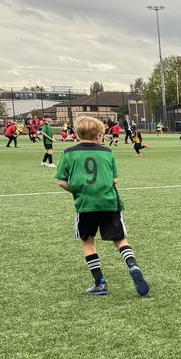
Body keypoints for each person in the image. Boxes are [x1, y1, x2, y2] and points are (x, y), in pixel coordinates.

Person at [54, 116, 150, 297]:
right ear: (99, 135)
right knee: (120, 239)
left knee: (88, 241)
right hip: (109, 203)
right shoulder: (107, 153)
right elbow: (115, 179)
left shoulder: (68, 153)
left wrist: (78, 191)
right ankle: (132, 265)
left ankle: (100, 283)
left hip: (85, 205)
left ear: (77, 133)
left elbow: (61, 181)